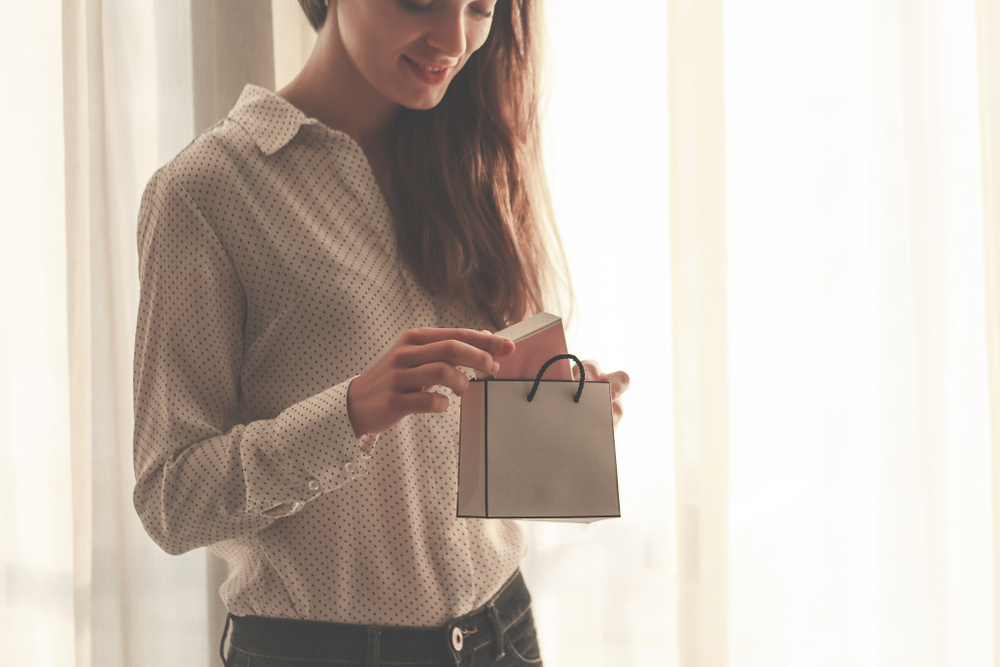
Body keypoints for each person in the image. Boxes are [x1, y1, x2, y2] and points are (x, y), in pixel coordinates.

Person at [131, 0, 629, 665]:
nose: (454, 40)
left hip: (501, 633)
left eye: (480, 8)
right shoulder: (207, 192)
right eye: (422, 1)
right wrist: (350, 412)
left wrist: (558, 427)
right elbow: (171, 499)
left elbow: (449, 466)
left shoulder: (472, 165)